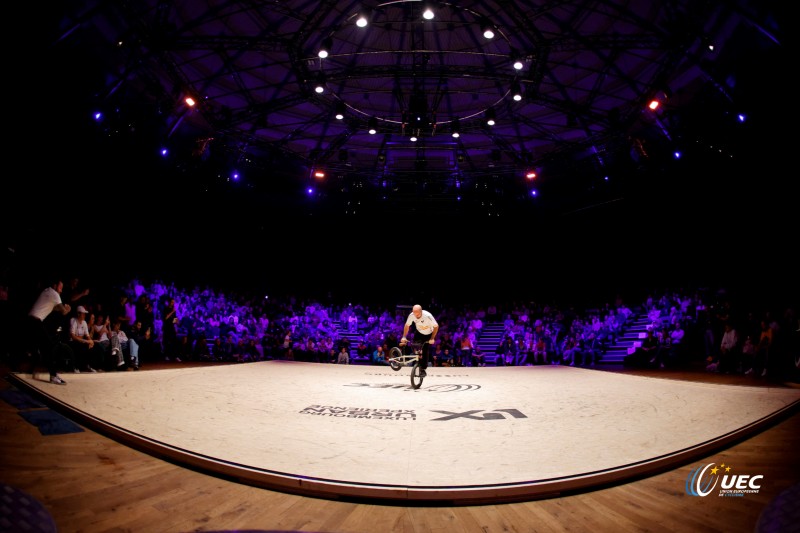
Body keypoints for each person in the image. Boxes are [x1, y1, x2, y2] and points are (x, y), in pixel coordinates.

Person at [26, 278, 72, 384]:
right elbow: (63, 312)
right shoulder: (54, 294)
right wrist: (67, 310)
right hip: (35, 322)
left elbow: (53, 308)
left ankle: (30, 370)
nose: (61, 290)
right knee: (48, 346)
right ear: (55, 286)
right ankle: (53, 376)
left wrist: (61, 309)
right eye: (60, 288)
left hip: (30, 321)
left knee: (39, 348)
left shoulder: (47, 291)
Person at [401, 304, 439, 377]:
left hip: (428, 334)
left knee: (425, 351)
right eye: (414, 313)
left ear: (421, 311)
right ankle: (416, 363)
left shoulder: (428, 316)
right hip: (419, 333)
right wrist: (404, 336)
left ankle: (423, 369)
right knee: (414, 347)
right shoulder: (412, 315)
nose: (416, 315)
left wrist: (432, 338)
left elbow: (436, 327)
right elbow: (407, 325)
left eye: (417, 314)